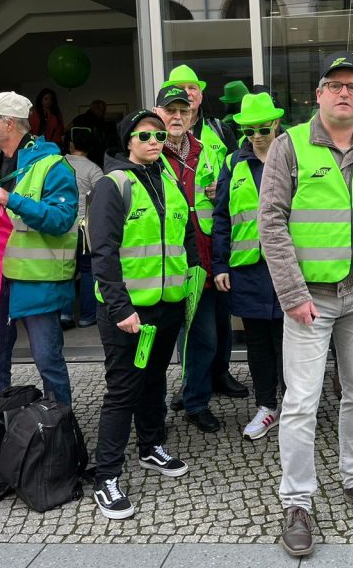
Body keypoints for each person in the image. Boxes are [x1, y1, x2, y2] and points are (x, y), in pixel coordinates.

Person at [259, 51, 353, 557]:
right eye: (335, 85)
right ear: (319, 93)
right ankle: (297, 501)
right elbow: (271, 223)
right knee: (301, 401)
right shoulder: (289, 146)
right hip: (311, 299)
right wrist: (292, 293)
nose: (344, 92)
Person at [87, 109, 199, 520]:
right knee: (123, 391)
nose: (154, 141)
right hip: (129, 313)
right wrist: (121, 307)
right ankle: (106, 476)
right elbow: (102, 253)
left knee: (154, 381)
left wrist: (187, 284)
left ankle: (151, 446)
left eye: (158, 135)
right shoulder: (113, 184)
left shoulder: (169, 178)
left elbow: (186, 234)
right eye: (144, 135)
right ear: (128, 142)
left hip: (167, 305)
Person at [0, 92, 76, 406]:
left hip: (37, 279)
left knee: (47, 361)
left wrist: (13, 200)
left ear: (9, 123)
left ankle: (60, 425)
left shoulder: (53, 165)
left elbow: (62, 219)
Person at [163, 65, 248, 404]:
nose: (187, 96)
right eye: (179, 92)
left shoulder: (218, 130)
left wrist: (223, 189)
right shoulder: (157, 140)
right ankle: (192, 386)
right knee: (194, 325)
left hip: (215, 243)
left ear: (199, 95)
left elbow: (237, 172)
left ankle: (220, 374)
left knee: (220, 319)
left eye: (192, 89)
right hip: (182, 248)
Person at [150, 84, 223, 432]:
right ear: (157, 114)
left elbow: (229, 198)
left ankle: (196, 402)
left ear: (192, 114)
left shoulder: (207, 151)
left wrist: (222, 192)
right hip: (162, 266)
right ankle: (153, 415)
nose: (177, 117)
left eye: (183, 111)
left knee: (204, 339)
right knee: (158, 346)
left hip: (200, 263)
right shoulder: (148, 151)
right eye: (170, 111)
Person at [212, 92, 285, 440]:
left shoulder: (293, 158)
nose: (256, 136)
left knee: (289, 341)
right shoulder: (233, 163)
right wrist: (220, 264)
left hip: (286, 266)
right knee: (257, 343)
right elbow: (222, 217)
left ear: (276, 124)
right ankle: (267, 406)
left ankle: (296, 406)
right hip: (248, 269)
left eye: (263, 129)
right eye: (249, 130)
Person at [64, 127, 104, 329]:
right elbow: (102, 199)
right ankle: (87, 316)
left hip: (63, 225)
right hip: (84, 227)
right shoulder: (94, 170)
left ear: (71, 145)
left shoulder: (58, 164)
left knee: (65, 270)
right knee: (88, 270)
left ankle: (65, 314)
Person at [69, 99, 116, 167]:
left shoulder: (103, 123)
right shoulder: (81, 120)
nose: (101, 111)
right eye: (98, 108)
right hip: (87, 155)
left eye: (103, 109)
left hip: (93, 156)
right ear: (93, 108)